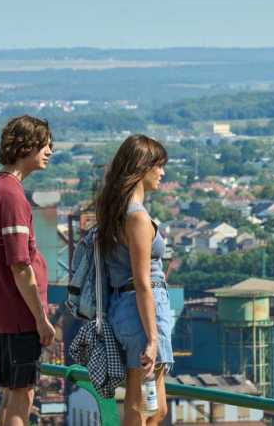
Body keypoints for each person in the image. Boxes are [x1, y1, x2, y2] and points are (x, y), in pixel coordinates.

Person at [0, 115, 55, 426]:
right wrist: (41, 318)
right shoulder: (11, 195)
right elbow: (20, 264)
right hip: (19, 314)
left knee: (11, 393)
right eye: (45, 144)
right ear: (27, 146)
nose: (49, 150)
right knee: (23, 395)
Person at [96, 134, 173, 426]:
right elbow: (142, 282)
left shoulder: (115, 209)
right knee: (146, 407)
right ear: (142, 168)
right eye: (159, 166)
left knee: (147, 405)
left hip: (124, 309)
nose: (162, 173)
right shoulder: (137, 217)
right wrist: (153, 339)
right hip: (142, 311)